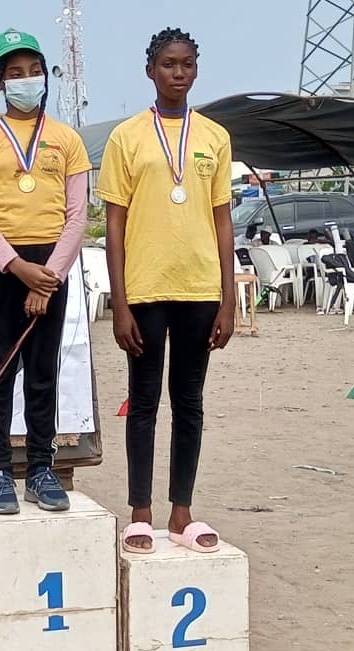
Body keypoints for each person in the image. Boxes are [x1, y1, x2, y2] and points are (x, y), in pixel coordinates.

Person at [96, 28, 234, 554]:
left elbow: (223, 220)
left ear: (196, 68)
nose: (178, 73)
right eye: (168, 64)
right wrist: (120, 303)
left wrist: (228, 298)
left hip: (199, 287)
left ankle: (182, 513)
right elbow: (114, 224)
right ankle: (140, 512)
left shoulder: (214, 137)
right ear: (150, 70)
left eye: (187, 64)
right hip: (146, 288)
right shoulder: (127, 137)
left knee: (190, 401)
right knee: (144, 400)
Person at [0, 28, 91, 514]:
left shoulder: (67, 140)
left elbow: (77, 217)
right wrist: (19, 269)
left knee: (41, 373)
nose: (26, 80)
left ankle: (40, 468)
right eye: (14, 73)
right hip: (3, 269)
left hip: (52, 267)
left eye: (34, 71)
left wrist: (47, 277)